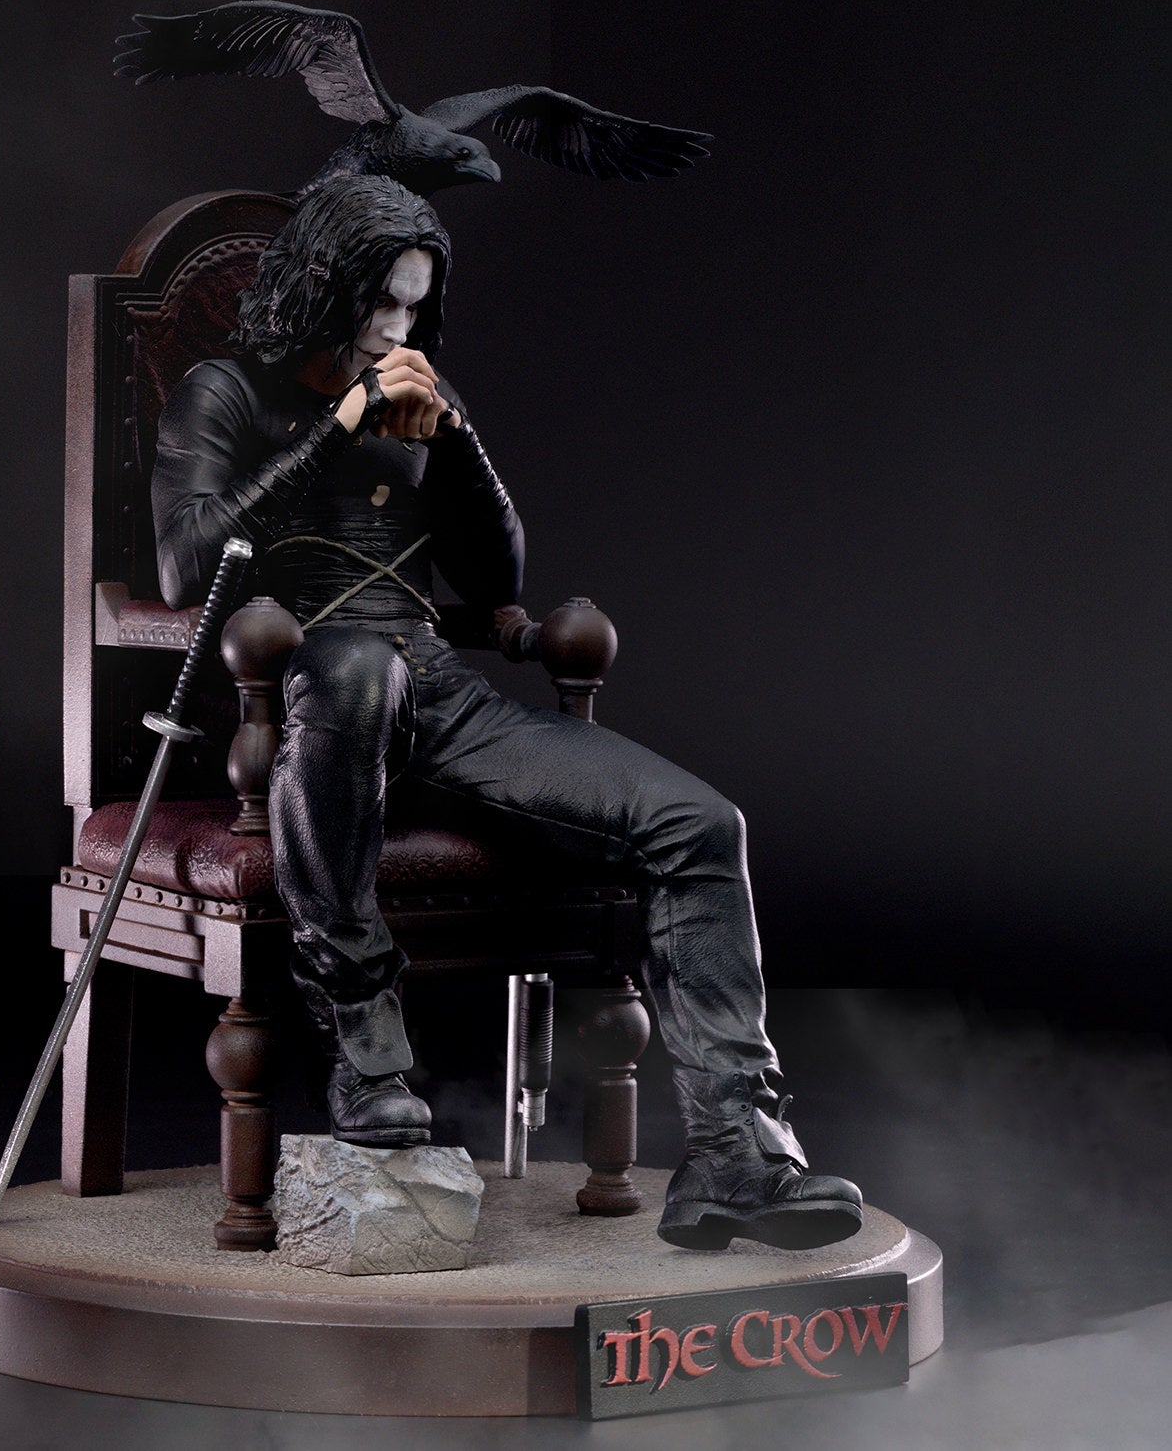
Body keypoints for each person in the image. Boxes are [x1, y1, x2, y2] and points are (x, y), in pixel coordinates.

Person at [150, 174, 862, 1250]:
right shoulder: (224, 392)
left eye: (413, 306)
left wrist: (456, 439)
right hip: (310, 696)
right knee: (357, 672)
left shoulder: (416, 392)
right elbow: (186, 563)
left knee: (700, 825)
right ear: (320, 287)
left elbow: (494, 583)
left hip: (440, 692)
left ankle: (736, 1150)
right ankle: (366, 1049)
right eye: (377, 301)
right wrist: (340, 427)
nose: (394, 329)